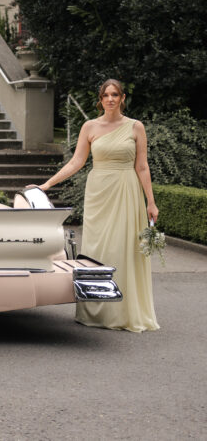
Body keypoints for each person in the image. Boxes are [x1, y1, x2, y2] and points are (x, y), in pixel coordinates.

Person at [34, 79, 159, 332]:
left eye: (115, 95)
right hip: (98, 193)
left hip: (126, 191)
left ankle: (124, 312)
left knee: (123, 248)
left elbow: (142, 166)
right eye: (106, 95)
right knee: (98, 247)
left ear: (122, 98)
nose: (110, 99)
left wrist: (151, 202)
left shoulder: (136, 127)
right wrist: (46, 185)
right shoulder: (89, 126)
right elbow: (76, 162)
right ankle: (97, 309)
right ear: (100, 100)